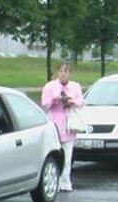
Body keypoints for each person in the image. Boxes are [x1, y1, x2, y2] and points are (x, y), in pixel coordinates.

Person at [41, 61, 84, 192]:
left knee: (67, 156)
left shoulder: (75, 86)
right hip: (54, 122)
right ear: (57, 73)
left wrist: (71, 101)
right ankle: (53, 182)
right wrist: (56, 99)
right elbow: (45, 103)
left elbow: (81, 101)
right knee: (54, 154)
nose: (63, 74)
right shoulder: (50, 86)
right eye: (61, 71)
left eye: (66, 71)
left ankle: (65, 181)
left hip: (68, 124)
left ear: (70, 74)